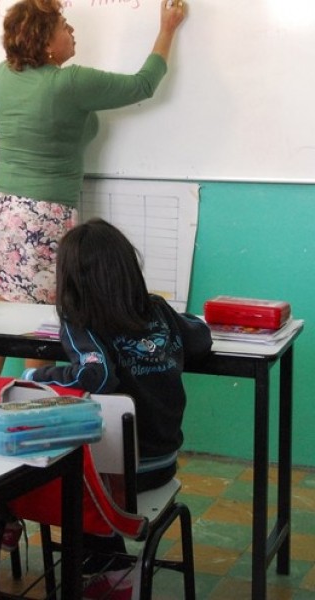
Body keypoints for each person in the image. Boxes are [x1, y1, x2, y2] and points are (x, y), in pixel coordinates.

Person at [0, 0, 187, 389]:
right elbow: (143, 85)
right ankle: (28, 402)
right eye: (64, 27)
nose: (72, 33)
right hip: (42, 214)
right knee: (39, 320)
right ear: (46, 42)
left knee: (3, 308)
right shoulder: (70, 83)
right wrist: (167, 28)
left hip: (0, 209)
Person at [22, 218, 211, 598]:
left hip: (118, 480)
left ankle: (102, 561)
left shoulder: (81, 323)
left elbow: (98, 374)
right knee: (83, 460)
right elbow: (201, 339)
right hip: (161, 464)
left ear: (71, 280)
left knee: (44, 463)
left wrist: (37, 374)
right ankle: (107, 562)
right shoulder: (157, 309)